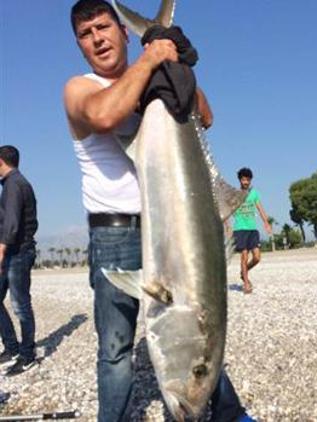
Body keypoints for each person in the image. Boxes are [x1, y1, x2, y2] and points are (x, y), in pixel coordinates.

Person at [63, 1, 252, 420]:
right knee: (115, 350)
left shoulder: (156, 78)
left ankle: (229, 413)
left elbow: (204, 116)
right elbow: (106, 115)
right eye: (86, 33)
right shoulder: (81, 87)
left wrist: (180, 67)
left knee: (201, 315)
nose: (97, 39)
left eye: (103, 27)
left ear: (123, 32)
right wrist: (151, 59)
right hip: (115, 235)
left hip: (175, 223)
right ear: (79, 45)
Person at [0, 145, 38, 376]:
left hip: (18, 252)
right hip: (13, 251)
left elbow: (12, 223)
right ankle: (12, 347)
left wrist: (2, 250)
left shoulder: (14, 185)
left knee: (21, 305)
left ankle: (27, 355)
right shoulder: (12, 184)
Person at [232, 167, 272, 294]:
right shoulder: (235, 194)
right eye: (243, 179)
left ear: (250, 180)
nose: (245, 182)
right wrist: (227, 226)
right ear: (240, 180)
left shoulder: (254, 193)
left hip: (252, 229)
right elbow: (227, 210)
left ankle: (244, 273)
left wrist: (266, 223)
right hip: (240, 229)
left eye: (248, 180)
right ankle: (246, 283)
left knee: (257, 257)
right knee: (244, 257)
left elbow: (260, 209)